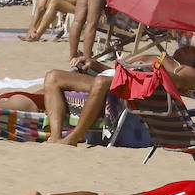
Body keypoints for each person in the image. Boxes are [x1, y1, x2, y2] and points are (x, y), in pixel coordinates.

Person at [42, 47, 195, 145]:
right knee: (52, 76)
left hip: (132, 89)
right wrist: (94, 63)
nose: (189, 46)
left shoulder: (186, 70)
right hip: (117, 79)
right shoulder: (164, 59)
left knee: (101, 82)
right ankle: (56, 137)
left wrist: (145, 71)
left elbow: (176, 82)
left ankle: (73, 137)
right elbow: (119, 70)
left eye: (192, 49)